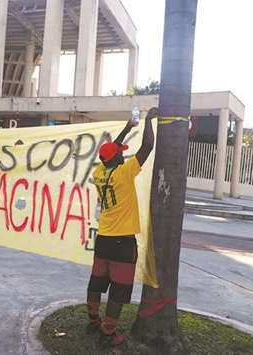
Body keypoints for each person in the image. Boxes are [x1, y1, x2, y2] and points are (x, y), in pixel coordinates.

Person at [87, 107, 157, 346]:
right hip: (122, 242)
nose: (123, 156)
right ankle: (108, 333)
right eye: (120, 154)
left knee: (96, 282)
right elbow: (147, 147)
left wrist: (128, 128)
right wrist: (148, 121)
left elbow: (109, 154)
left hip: (104, 238)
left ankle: (93, 321)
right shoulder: (124, 173)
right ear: (116, 158)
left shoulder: (99, 173)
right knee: (118, 290)